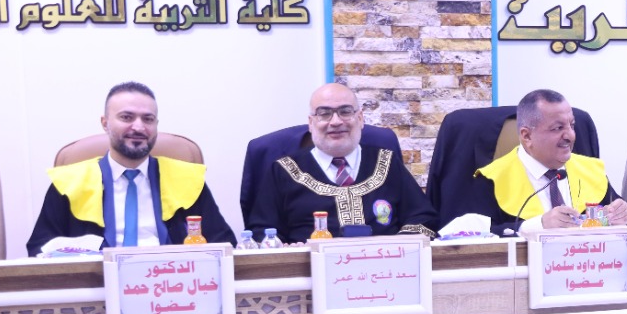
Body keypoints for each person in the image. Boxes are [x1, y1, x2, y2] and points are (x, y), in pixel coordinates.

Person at [27, 82, 236, 255]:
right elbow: (39, 250)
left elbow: (224, 245)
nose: (138, 127)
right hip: (98, 285)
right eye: (126, 117)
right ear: (105, 123)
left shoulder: (187, 180)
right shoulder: (70, 183)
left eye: (148, 119)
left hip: (171, 282)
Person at [247, 83, 438, 242]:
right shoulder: (283, 171)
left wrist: (401, 246)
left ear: (360, 118)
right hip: (310, 273)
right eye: (324, 113)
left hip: (385, 270)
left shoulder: (387, 162)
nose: (336, 121)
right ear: (311, 123)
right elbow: (262, 233)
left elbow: (422, 219)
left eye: (345, 112)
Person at [473, 89, 627, 235]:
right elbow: (475, 236)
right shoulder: (493, 179)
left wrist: (621, 216)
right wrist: (539, 225)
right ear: (527, 136)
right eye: (558, 128)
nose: (570, 136)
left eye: (572, 125)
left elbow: (626, 224)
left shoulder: (591, 170)